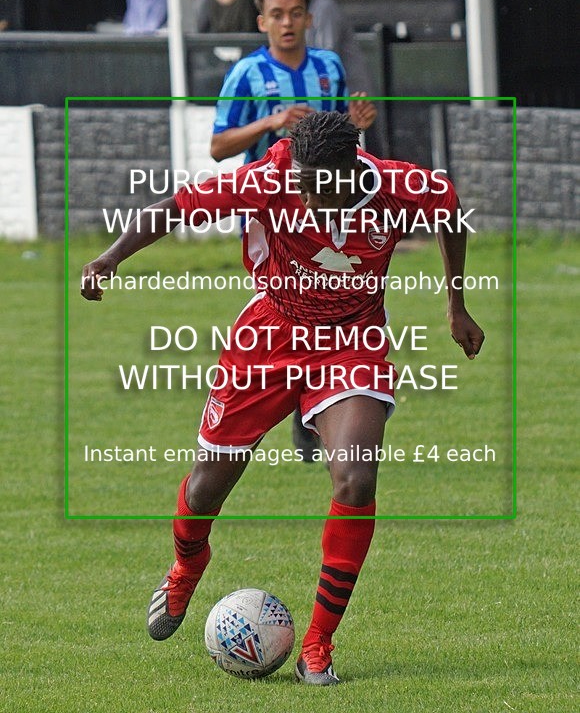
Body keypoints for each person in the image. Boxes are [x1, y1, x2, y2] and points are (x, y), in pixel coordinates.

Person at [81, 110, 484, 685]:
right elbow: (172, 207)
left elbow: (449, 210)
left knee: (356, 476)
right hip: (268, 336)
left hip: (352, 340)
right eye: (299, 179)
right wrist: (110, 258)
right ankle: (186, 568)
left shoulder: (401, 185)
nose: (304, 192)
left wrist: (455, 304)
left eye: (317, 185)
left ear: (350, 173)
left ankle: (317, 646)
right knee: (206, 485)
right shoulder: (270, 180)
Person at [210, 0, 377, 459]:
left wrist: (356, 122)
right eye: (277, 15)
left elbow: (337, 137)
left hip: (328, 206)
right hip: (270, 216)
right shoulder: (246, 74)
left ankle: (315, 406)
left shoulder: (328, 65)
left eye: (296, 14)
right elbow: (219, 146)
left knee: (331, 306)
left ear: (309, 18)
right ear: (262, 21)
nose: (287, 23)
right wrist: (271, 121)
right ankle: (294, 406)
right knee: (288, 309)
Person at [286, 0, 387, 155]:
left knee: (363, 153)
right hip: (334, 95)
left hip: (352, 95)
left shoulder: (323, 7)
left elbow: (326, 57)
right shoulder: (299, 11)